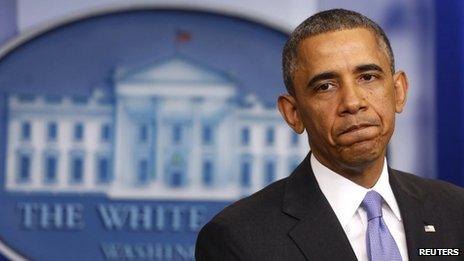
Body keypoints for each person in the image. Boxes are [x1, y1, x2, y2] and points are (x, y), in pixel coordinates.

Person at [195, 9, 464, 261]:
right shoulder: (237, 239)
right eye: (325, 86)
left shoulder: (456, 211)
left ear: (399, 91)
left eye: (368, 77)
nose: (352, 102)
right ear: (293, 113)